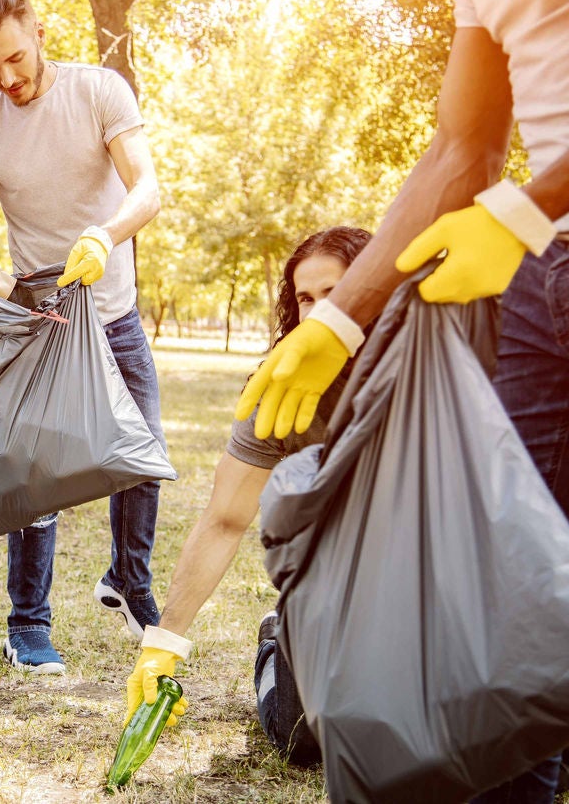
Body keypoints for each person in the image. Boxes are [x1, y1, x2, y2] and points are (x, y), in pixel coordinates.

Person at [233, 0, 569, 801]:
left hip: (557, 236)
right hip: (547, 269)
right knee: (497, 637)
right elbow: (463, 144)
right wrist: (338, 318)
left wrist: (528, 206)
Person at [0, 0, 164, 674]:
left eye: (14, 57)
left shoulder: (100, 92)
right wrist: (6, 293)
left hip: (116, 313)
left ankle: (128, 580)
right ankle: (27, 625)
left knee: (144, 458)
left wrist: (104, 237)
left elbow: (147, 187)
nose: (6, 77)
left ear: (39, 31)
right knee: (37, 481)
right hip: (43, 319)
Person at [125, 227, 371, 757]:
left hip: (429, 586)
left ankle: (558, 752)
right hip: (331, 591)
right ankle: (276, 643)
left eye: (336, 294)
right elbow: (224, 521)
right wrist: (162, 644)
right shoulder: (278, 389)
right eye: (306, 299)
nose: (318, 312)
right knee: (305, 741)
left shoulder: (429, 364)